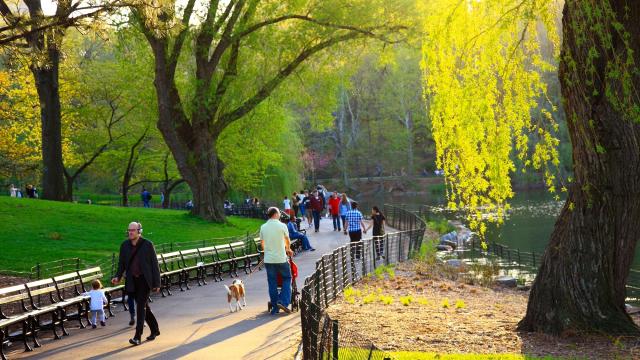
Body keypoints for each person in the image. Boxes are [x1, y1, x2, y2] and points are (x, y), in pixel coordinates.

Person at [111, 221, 161, 346]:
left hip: (145, 280)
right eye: (129, 230)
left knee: (140, 307)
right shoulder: (124, 246)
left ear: (139, 231)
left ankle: (137, 336)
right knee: (144, 307)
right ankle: (155, 329)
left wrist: (157, 283)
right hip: (132, 281)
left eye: (133, 230)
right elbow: (121, 264)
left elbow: (155, 265)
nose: (130, 232)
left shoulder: (147, 245)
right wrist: (117, 276)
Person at [260, 207, 294, 315]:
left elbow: (262, 243)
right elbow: (287, 240)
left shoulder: (263, 227)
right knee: (287, 278)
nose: (280, 215)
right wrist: (288, 249)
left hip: (269, 260)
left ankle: (275, 307)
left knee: (272, 283)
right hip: (281, 258)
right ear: (275, 214)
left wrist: (267, 251)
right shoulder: (282, 226)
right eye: (279, 213)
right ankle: (283, 301)